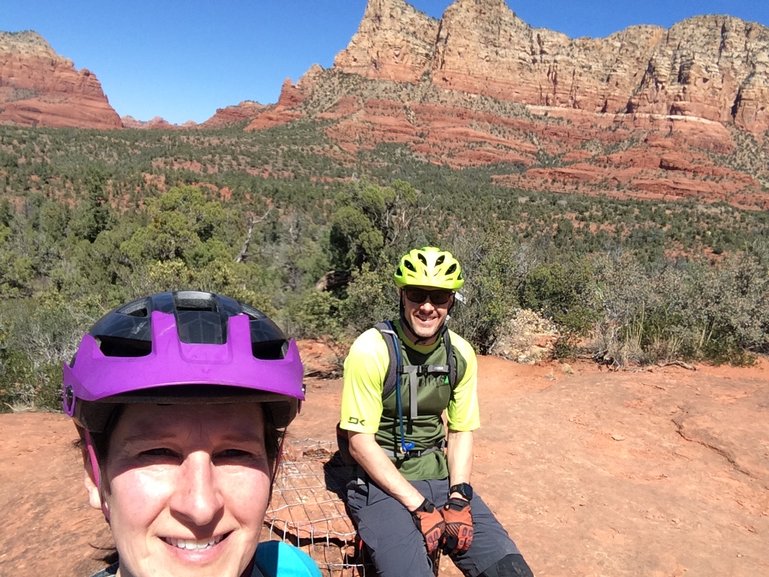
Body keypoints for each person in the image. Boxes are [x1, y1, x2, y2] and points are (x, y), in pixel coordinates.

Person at [62, 290, 321, 577]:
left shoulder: (294, 569)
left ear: (272, 467)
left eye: (235, 453)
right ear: (94, 473)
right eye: (156, 453)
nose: (201, 508)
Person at [339, 247, 534, 577]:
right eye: (417, 294)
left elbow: (460, 431)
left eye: (439, 296)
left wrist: (458, 496)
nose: (427, 306)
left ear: (451, 301)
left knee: (511, 571)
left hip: (439, 476)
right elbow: (359, 442)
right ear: (402, 295)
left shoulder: (459, 353)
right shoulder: (371, 349)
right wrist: (419, 506)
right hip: (380, 483)